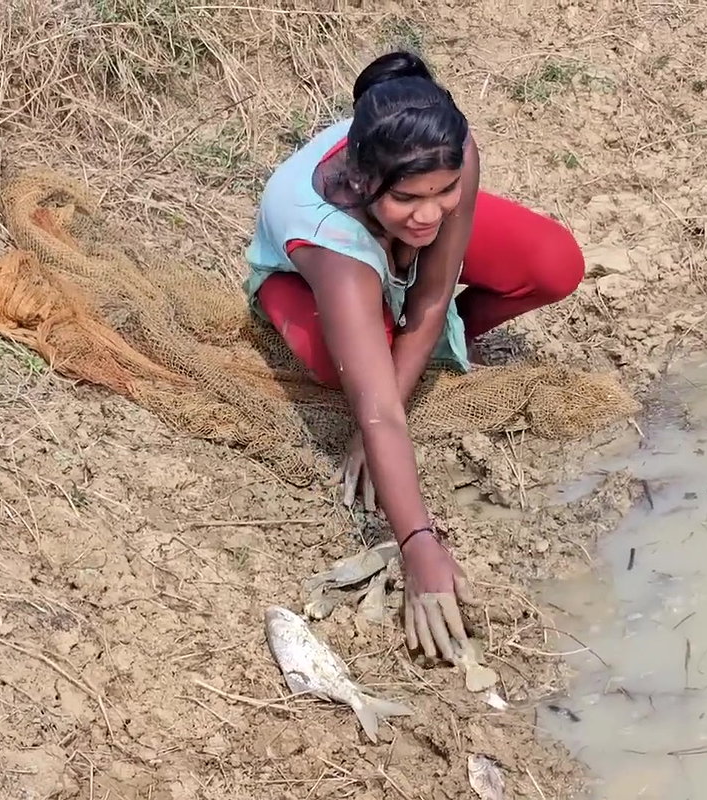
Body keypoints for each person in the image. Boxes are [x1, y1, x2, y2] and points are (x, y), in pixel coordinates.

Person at [243, 51, 587, 666]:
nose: (429, 214)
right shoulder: (331, 243)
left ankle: (429, 346)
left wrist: (390, 394)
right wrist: (418, 542)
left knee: (552, 264)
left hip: (395, 266)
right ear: (363, 181)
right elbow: (374, 412)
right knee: (338, 367)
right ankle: (375, 346)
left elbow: (430, 300)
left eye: (446, 191)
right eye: (408, 199)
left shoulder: (449, 153)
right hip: (310, 275)